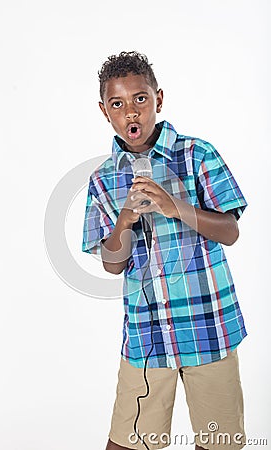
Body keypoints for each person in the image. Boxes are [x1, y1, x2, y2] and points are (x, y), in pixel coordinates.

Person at [82, 51, 248, 450]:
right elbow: (111, 264)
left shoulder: (196, 155)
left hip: (208, 328)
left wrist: (175, 207)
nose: (131, 113)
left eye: (140, 99)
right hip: (146, 337)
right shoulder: (104, 179)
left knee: (220, 443)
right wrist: (123, 221)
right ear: (105, 112)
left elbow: (230, 232)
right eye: (118, 104)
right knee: (128, 442)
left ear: (159, 98)